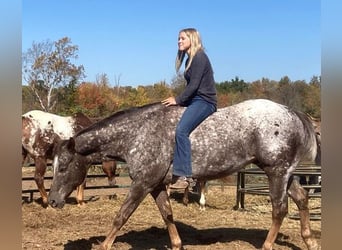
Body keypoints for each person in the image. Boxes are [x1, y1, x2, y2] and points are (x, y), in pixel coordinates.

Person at [161, 28, 217, 189]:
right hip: (194, 100)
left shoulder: (199, 57)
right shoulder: (189, 60)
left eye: (182, 38)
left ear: (192, 39)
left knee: (181, 130)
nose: (179, 41)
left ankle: (184, 176)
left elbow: (194, 86)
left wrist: (178, 99)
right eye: (178, 38)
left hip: (205, 101)